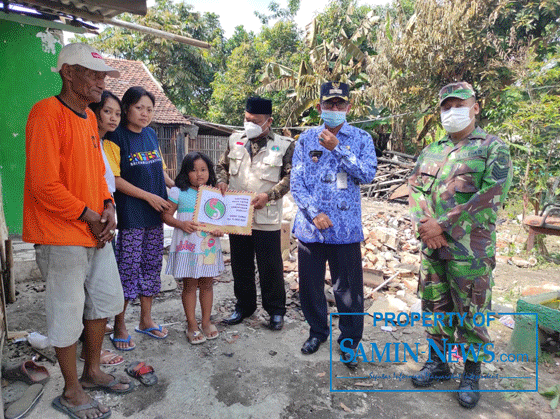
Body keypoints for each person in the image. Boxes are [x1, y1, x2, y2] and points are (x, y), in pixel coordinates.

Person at [23, 43, 133, 419]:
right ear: (68, 73)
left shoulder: (88, 118)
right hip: (60, 234)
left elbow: (98, 176)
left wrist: (109, 206)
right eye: (94, 74)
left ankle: (92, 371)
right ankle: (70, 391)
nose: (102, 82)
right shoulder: (45, 113)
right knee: (66, 315)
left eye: (103, 75)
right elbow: (43, 185)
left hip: (93, 230)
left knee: (103, 303)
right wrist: (89, 215)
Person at [408, 81, 512, 408]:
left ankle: (471, 371)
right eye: (445, 106)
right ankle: (438, 364)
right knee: (435, 308)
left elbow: (491, 195)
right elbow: (415, 190)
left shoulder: (493, 148)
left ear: (475, 107)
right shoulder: (431, 150)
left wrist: (444, 224)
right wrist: (426, 226)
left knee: (471, 311)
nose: (451, 112)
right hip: (432, 247)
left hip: (471, 251)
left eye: (459, 104)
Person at [290, 81, 377, 369]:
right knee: (311, 287)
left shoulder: (362, 138)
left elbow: (367, 175)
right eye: (330, 104)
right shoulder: (305, 140)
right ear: (320, 108)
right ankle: (318, 332)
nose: (335, 108)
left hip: (345, 229)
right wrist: (314, 213)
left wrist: (338, 148)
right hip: (311, 229)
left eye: (341, 104)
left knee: (349, 290)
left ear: (349, 107)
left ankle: (350, 342)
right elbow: (296, 183)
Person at [103, 86, 175, 351]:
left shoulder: (151, 134)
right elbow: (116, 179)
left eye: (149, 109)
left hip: (156, 216)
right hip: (132, 217)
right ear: (126, 109)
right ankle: (120, 324)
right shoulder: (115, 136)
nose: (145, 114)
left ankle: (146, 320)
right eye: (139, 108)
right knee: (128, 271)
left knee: (150, 268)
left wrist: (178, 188)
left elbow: (161, 171)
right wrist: (148, 197)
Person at [216, 97, 295, 331]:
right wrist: (221, 182)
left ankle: (276, 311)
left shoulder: (284, 144)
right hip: (237, 214)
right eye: (246, 119)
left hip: (266, 216)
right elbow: (221, 167)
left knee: (270, 266)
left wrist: (269, 196)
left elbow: (290, 178)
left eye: (256, 121)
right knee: (241, 264)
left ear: (268, 121)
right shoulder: (234, 140)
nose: (249, 124)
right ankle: (244, 306)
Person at [73, 91, 125, 367]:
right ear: (93, 111)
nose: (113, 117)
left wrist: (110, 210)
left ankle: (92, 350)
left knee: (100, 295)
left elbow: (106, 189)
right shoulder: (86, 143)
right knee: (87, 295)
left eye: (117, 113)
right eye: (107, 111)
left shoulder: (103, 146)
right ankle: (88, 351)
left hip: (104, 224)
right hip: (84, 226)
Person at [162, 152, 225, 344]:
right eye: (194, 170)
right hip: (188, 247)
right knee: (190, 286)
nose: (199, 174)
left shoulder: (214, 192)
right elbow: (166, 216)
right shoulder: (178, 191)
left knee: (207, 284)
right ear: (185, 172)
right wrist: (181, 225)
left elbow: (222, 218)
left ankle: (206, 322)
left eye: (203, 170)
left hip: (208, 246)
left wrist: (221, 229)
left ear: (209, 171)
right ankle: (192, 325)